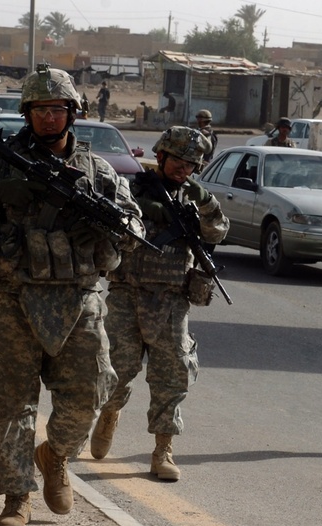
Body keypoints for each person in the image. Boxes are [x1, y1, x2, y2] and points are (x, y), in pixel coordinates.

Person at [0, 65, 145, 526]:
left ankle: (54, 456)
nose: (49, 118)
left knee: (88, 395)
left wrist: (102, 226)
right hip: (11, 298)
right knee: (9, 401)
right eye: (40, 109)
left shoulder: (96, 171)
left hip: (78, 300)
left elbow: (136, 230)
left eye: (58, 108)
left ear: (73, 113)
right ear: (27, 114)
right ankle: (18, 497)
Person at [89, 127, 229, 481]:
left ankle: (163, 449)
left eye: (191, 165)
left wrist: (206, 202)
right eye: (178, 161)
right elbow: (108, 221)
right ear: (162, 156)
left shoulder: (194, 200)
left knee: (173, 374)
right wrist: (143, 211)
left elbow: (218, 232)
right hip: (128, 294)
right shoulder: (133, 188)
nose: (184, 169)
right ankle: (109, 414)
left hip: (172, 299)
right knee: (117, 367)